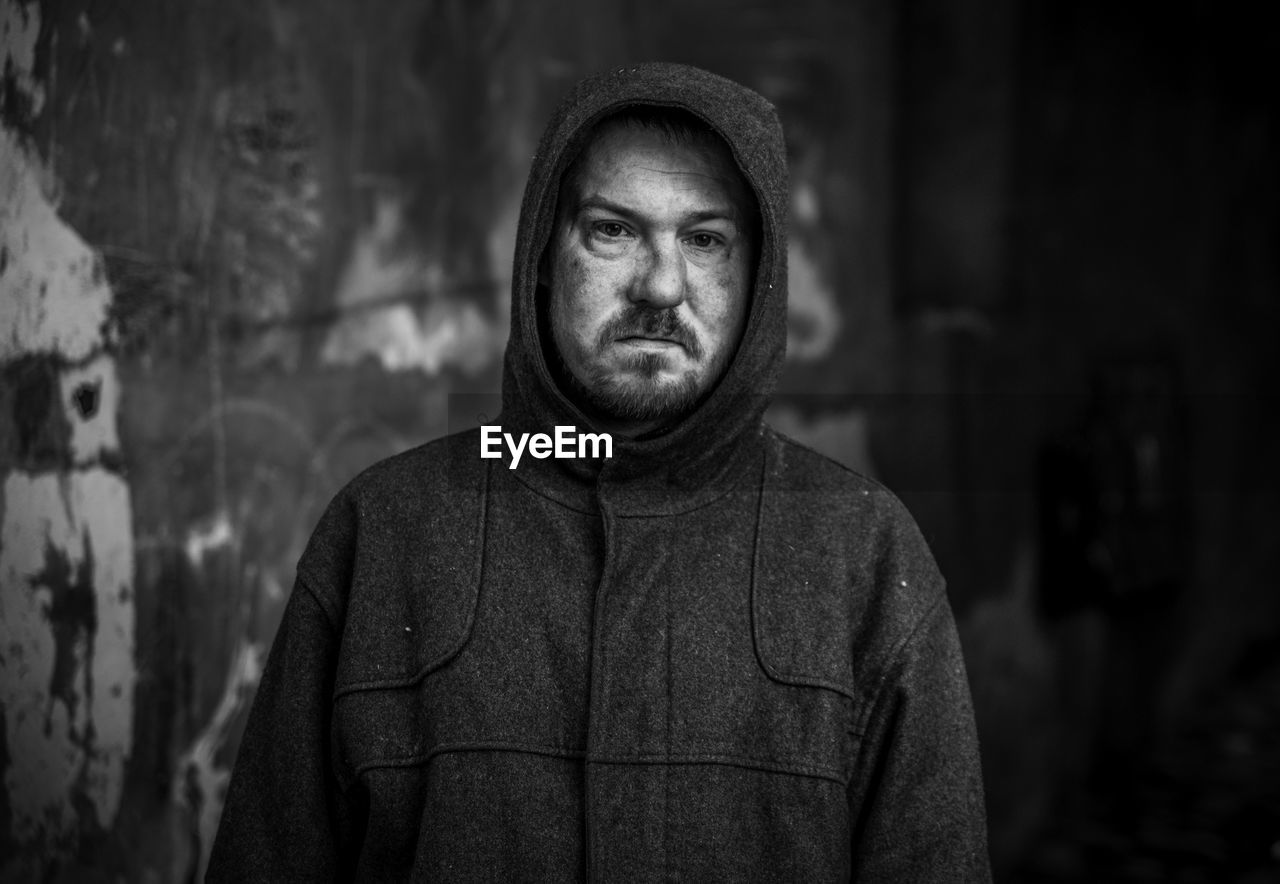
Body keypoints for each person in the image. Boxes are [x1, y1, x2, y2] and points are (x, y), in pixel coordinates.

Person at [207, 62, 991, 882]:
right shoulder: (388, 530)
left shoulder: (861, 551)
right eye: (614, 230)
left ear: (756, 279)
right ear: (543, 258)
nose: (661, 285)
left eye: (706, 239)